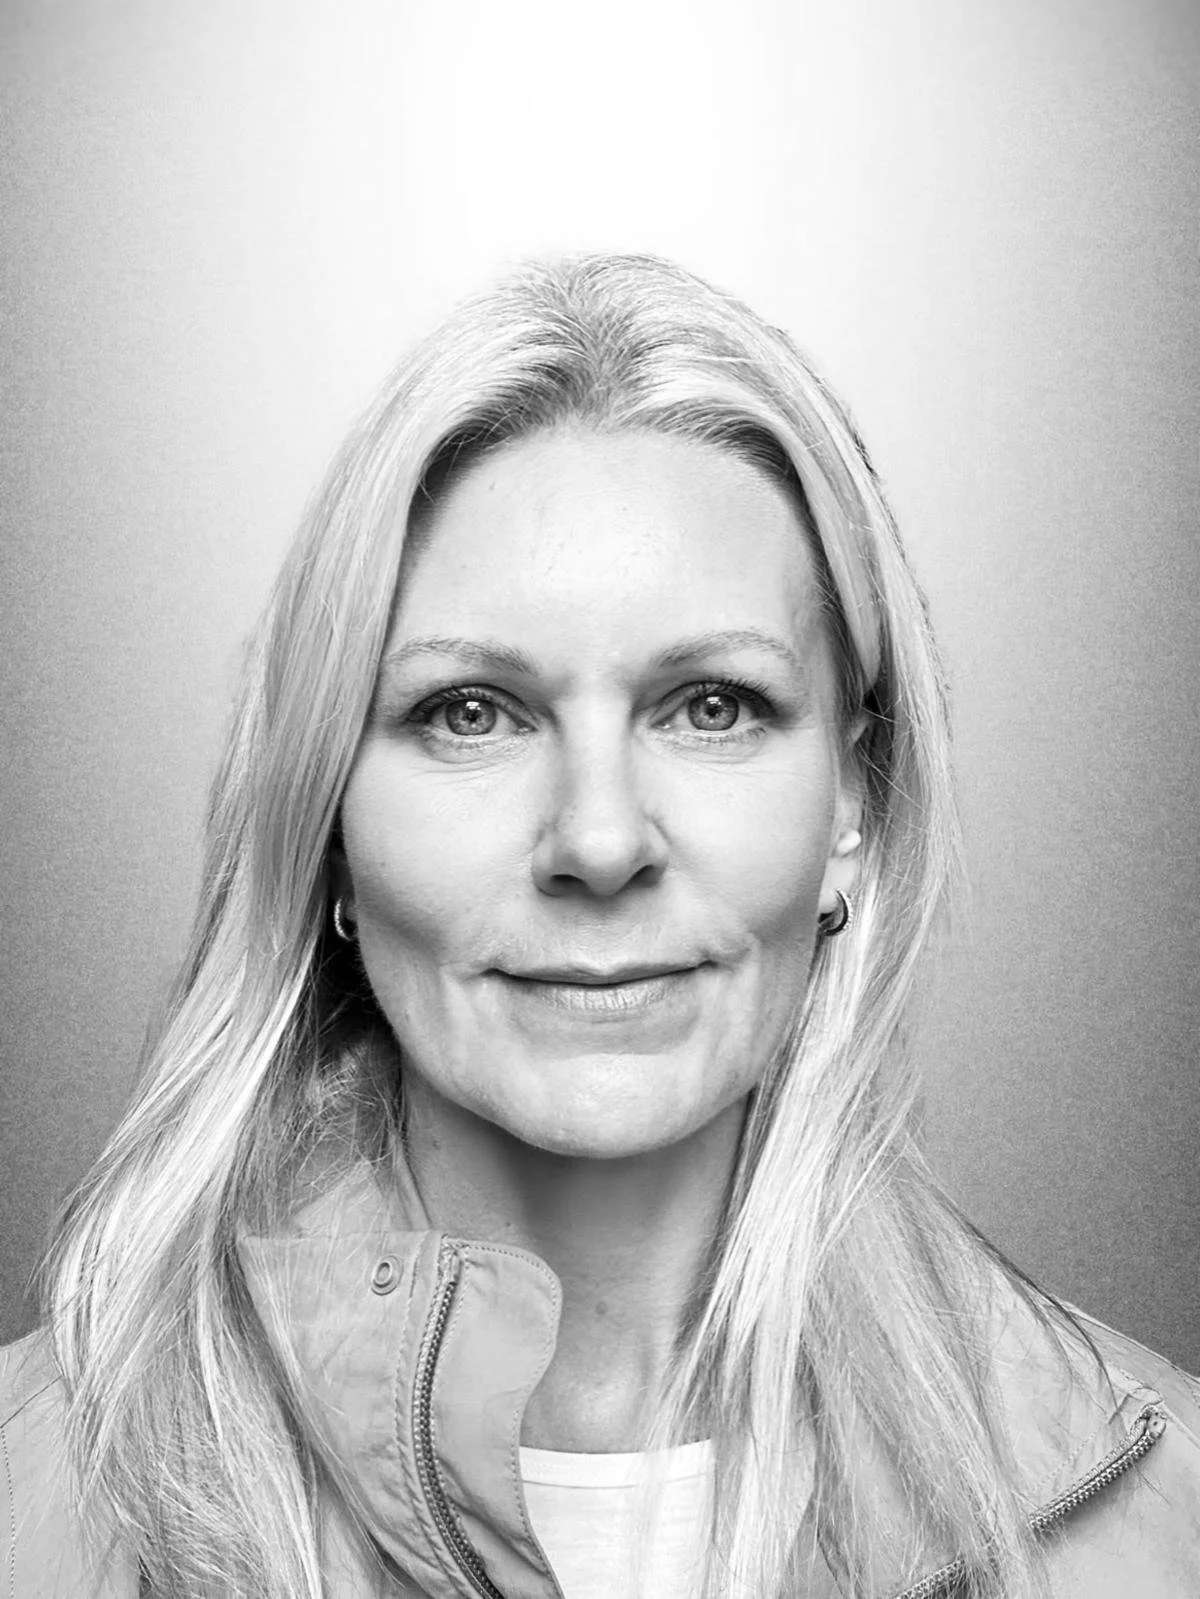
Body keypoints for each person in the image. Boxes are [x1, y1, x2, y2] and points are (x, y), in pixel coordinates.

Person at [2, 253, 1197, 1599]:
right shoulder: (31, 1510)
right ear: (325, 823)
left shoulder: (1169, 1523)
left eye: (711, 705)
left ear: (852, 802)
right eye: (471, 712)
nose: (600, 840)